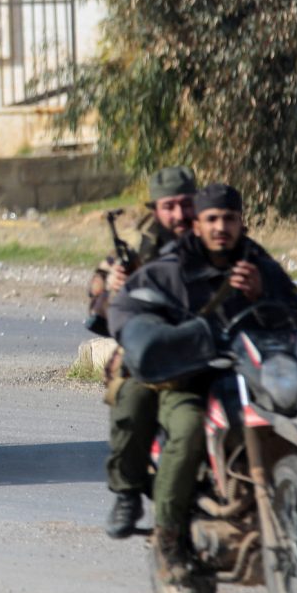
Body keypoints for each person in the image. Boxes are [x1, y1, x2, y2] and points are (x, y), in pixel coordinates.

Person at [107, 184, 297, 583]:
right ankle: (168, 538)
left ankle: (296, 506)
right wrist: (151, 338)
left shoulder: (257, 262)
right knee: (190, 427)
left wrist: (263, 295)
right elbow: (125, 308)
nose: (222, 227)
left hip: (244, 374)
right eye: (212, 219)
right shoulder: (170, 266)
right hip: (186, 379)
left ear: (241, 221)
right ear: (198, 224)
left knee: (294, 411)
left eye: (230, 218)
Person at [90, 166, 197, 540]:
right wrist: (112, 288)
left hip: (210, 343)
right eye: (170, 207)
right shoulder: (136, 244)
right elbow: (97, 302)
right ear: (156, 208)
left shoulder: (215, 231)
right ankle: (127, 493)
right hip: (151, 350)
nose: (180, 215)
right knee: (132, 402)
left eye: (186, 205)